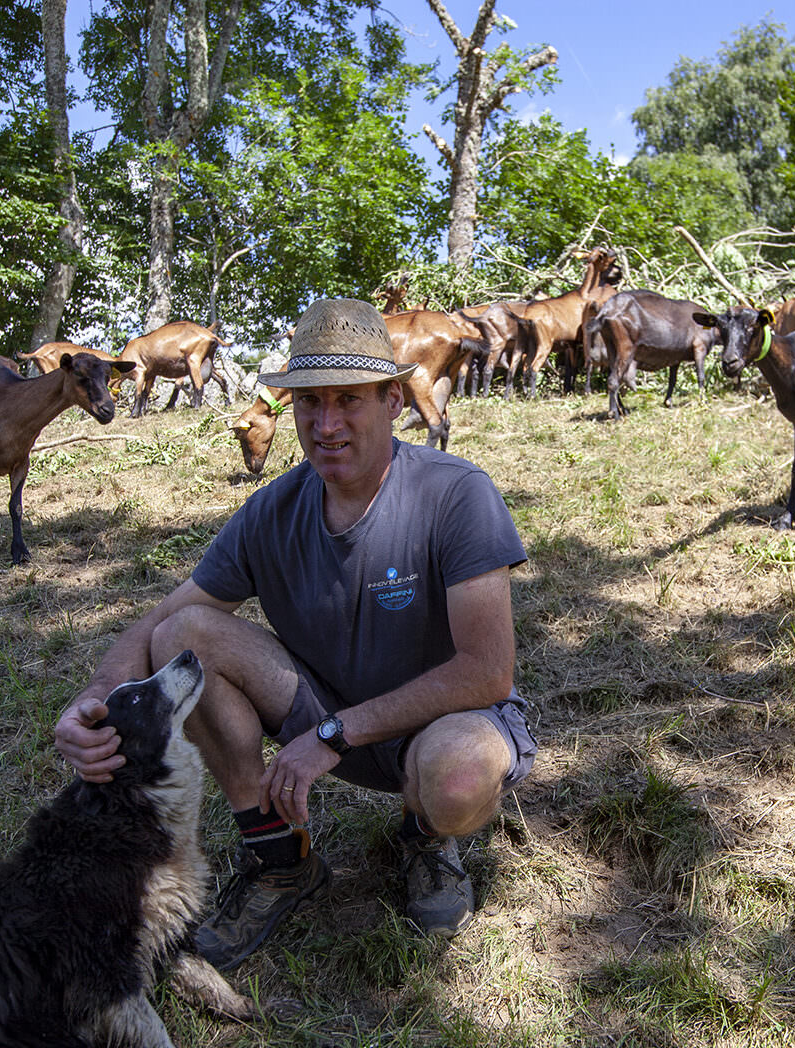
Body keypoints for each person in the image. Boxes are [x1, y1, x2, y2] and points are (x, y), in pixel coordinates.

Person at [54, 297, 535, 968]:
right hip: (321, 715)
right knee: (183, 637)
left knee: (454, 783)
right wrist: (98, 698)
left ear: (393, 399)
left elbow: (487, 671)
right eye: (309, 403)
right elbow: (164, 617)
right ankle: (280, 857)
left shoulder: (454, 493)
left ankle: (426, 838)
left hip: (440, 721)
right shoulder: (273, 509)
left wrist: (334, 736)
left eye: (348, 400)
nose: (327, 424)